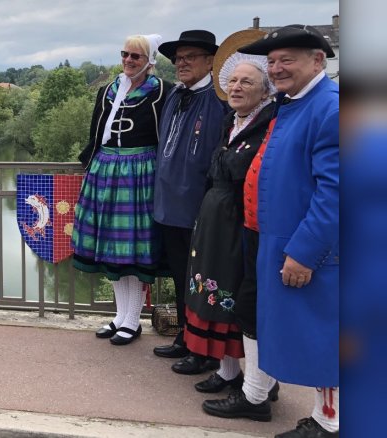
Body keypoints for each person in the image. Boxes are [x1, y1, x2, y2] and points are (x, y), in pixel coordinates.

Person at [175, 30, 282, 422]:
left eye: (247, 82)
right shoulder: (234, 122)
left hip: (240, 224)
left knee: (236, 296)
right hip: (215, 222)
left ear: (265, 90)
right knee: (214, 291)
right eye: (233, 81)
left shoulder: (268, 125)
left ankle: (254, 384)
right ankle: (228, 370)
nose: (236, 87)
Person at [238, 25, 339, 437]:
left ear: (318, 61)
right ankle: (324, 417)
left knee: (326, 336)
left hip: (315, 251)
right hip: (280, 241)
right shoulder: (292, 103)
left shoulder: (330, 108)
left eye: (287, 60)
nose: (276, 68)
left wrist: (303, 251)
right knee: (309, 335)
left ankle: (330, 423)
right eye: (272, 61)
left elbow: (337, 192)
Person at [72, 34, 168, 345]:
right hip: (106, 172)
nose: (128, 60)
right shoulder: (107, 92)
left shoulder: (162, 93)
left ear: (149, 61)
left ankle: (133, 320)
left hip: (139, 175)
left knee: (131, 250)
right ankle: (119, 316)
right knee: (112, 248)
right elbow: (95, 135)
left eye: (136, 57)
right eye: (125, 54)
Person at [152, 30, 227, 375]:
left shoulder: (219, 100)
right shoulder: (174, 96)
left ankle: (206, 350)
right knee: (181, 277)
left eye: (190, 57)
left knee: (203, 280)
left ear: (211, 61)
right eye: (178, 58)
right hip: (169, 204)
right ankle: (185, 336)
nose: (182, 63)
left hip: (199, 206)